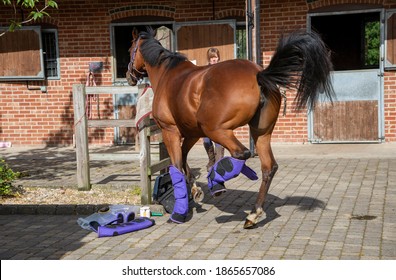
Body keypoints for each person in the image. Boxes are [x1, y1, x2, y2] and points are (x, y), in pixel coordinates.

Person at [203, 47, 225, 171]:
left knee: (218, 138)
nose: (214, 60)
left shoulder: (222, 70)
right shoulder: (205, 71)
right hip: (207, 109)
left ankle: (219, 163)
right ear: (209, 59)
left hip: (219, 109)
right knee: (206, 139)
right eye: (212, 58)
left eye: (215, 58)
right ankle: (211, 160)